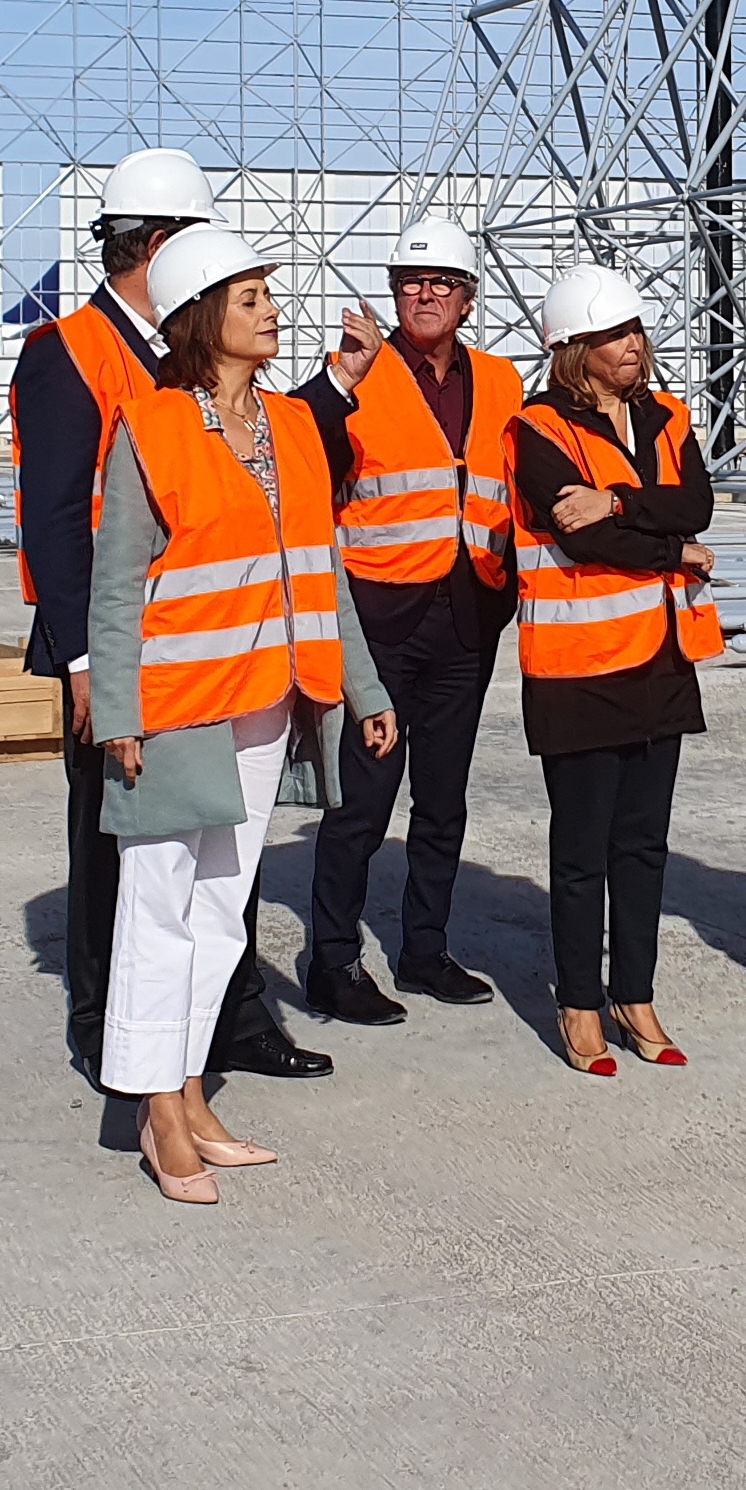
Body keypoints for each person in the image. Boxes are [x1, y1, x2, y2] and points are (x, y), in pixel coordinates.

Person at [10, 150, 333, 1091]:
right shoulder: (69, 352)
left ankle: (225, 1024)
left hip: (222, 650)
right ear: (161, 245)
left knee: (223, 853)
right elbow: (58, 523)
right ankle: (104, 1029)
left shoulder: (188, 349)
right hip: (120, 651)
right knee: (118, 849)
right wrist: (85, 666)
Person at [88, 228, 396, 1198]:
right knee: (157, 905)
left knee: (223, 910)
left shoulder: (294, 427)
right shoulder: (151, 427)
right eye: (251, 296)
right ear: (199, 315)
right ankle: (154, 1110)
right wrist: (116, 709)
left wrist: (365, 688)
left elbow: (324, 571)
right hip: (177, 704)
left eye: (269, 294)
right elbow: (116, 582)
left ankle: (188, 1088)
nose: (273, 310)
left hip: (270, 700)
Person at [291, 215, 519, 1023]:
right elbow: (295, 444)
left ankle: (426, 950)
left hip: (468, 615)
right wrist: (338, 380)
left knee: (444, 800)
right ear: (393, 293)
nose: (425, 294)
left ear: (467, 298)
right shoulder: (359, 371)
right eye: (411, 282)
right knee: (362, 801)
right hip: (380, 619)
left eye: (442, 283)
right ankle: (332, 961)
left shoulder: (502, 381)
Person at [508, 264, 720, 1078]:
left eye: (634, 330)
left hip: (661, 659)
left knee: (643, 844)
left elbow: (695, 503)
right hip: (578, 669)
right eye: (611, 335)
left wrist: (621, 501)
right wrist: (673, 550)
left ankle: (635, 995)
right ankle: (578, 1002)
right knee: (581, 850)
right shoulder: (536, 429)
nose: (632, 345)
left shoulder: (668, 416)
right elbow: (579, 534)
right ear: (573, 348)